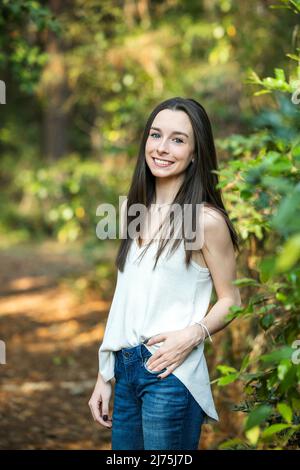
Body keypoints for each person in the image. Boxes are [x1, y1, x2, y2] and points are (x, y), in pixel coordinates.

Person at [88, 97, 241, 450]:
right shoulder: (133, 210)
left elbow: (232, 300)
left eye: (177, 139)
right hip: (125, 370)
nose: (161, 147)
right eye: (156, 135)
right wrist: (104, 374)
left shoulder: (207, 221)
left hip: (170, 374)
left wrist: (191, 336)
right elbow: (124, 297)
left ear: (195, 153)